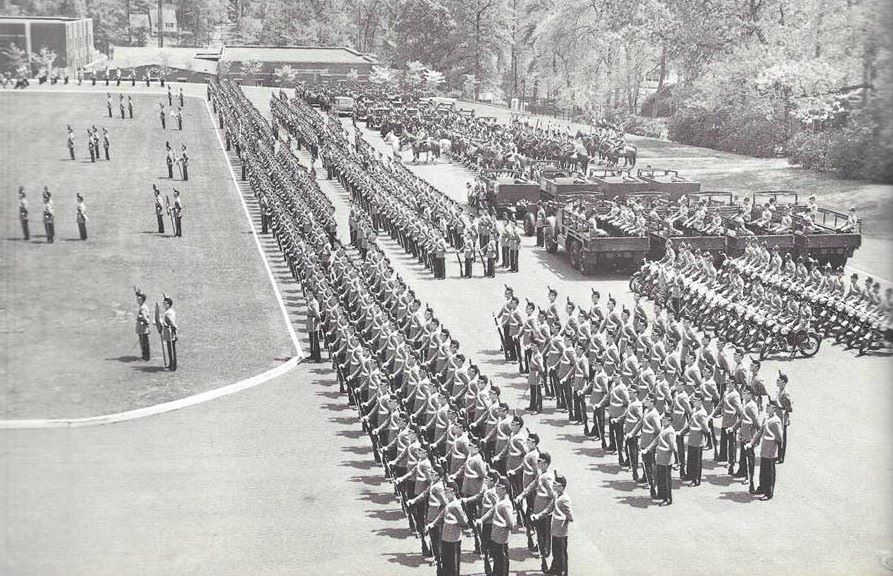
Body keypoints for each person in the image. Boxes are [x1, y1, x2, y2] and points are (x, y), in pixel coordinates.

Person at [477, 477, 515, 576]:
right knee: (497, 558)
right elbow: (491, 511)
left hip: (501, 536)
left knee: (502, 560)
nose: (496, 488)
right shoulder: (499, 501)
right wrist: (481, 520)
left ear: (504, 490)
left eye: (499, 487)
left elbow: (511, 524)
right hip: (496, 535)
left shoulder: (505, 504)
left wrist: (502, 528)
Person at [747, 402, 784, 500]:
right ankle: (762, 488)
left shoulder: (776, 421)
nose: (767, 408)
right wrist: (752, 443)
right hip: (765, 448)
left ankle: (768, 492)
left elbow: (780, 438)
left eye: (769, 407)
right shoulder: (768, 418)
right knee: (763, 470)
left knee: (769, 472)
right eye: (767, 406)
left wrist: (774, 448)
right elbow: (760, 432)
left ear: (774, 408)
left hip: (771, 449)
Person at [544, 475, 573, 576]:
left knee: (562, 554)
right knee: (555, 552)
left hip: (561, 531)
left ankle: (563, 573)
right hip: (555, 529)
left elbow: (571, 517)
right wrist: (539, 515)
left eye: (556, 485)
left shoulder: (565, 500)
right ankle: (555, 569)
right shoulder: (557, 496)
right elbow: (550, 508)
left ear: (562, 487)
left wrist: (563, 521)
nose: (554, 486)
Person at [775, 372, 792, 463]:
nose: (777, 382)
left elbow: (789, 408)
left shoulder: (785, 394)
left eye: (779, 381)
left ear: (784, 383)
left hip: (782, 417)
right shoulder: (778, 391)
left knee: (782, 439)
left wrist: (787, 416)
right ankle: (778, 455)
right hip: (778, 416)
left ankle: (781, 457)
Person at [161, 295, 178, 371]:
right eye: (163, 303)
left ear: (168, 304)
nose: (163, 304)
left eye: (165, 303)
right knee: (171, 349)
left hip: (169, 332)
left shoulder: (168, 313)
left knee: (170, 350)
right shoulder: (171, 311)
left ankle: (173, 367)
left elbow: (172, 323)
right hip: (170, 332)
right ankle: (171, 365)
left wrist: (174, 329)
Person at [135, 288, 151, 360]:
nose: (137, 300)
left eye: (139, 299)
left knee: (144, 342)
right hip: (143, 327)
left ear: (142, 300)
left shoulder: (142, 308)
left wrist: (140, 318)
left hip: (142, 327)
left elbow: (144, 318)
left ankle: (146, 356)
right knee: (144, 342)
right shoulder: (143, 306)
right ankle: (145, 356)